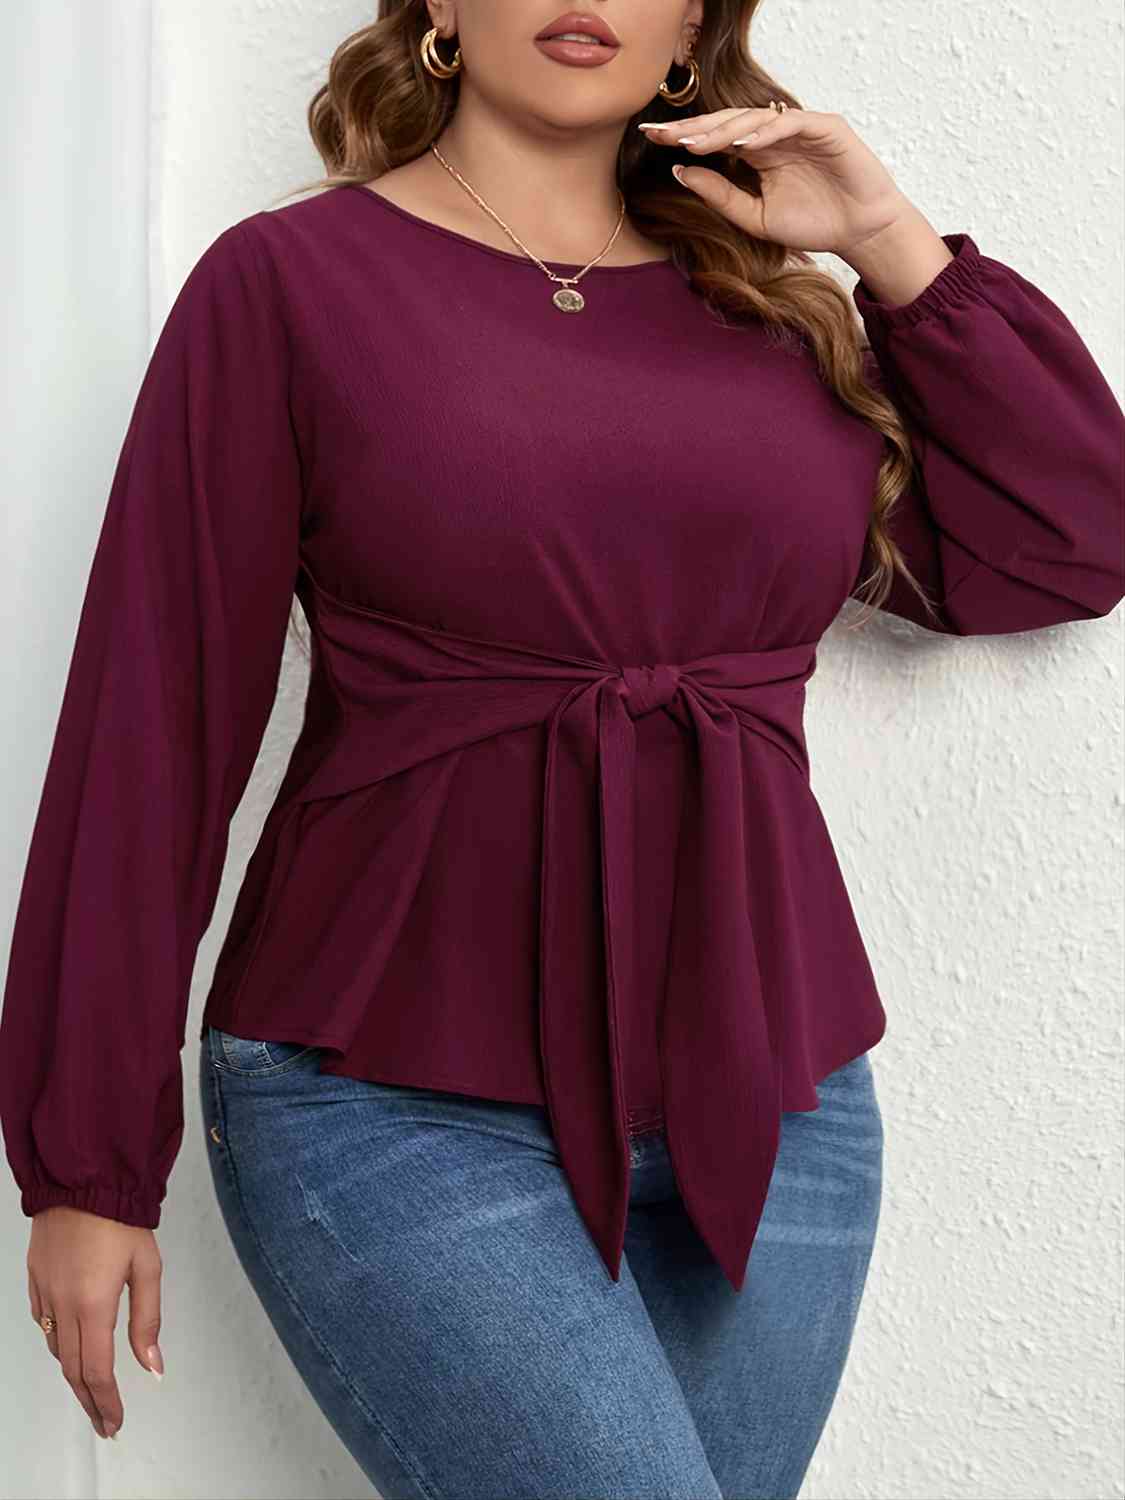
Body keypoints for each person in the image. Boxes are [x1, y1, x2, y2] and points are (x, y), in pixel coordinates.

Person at [2, 1, 1123, 1495]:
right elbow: (153, 716)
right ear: (440, 6)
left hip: (773, 1097)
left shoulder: (777, 310)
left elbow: (1063, 545)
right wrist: (86, 1160)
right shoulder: (288, 285)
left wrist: (887, 239)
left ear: (694, 24)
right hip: (387, 1089)